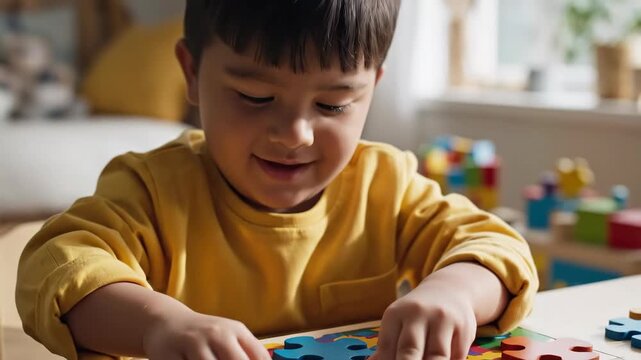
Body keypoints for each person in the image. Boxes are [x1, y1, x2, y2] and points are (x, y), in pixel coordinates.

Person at [16, 0, 538, 359]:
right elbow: (54, 267)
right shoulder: (152, 190)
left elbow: (496, 247)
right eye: (255, 97)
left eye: (333, 103)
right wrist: (158, 324)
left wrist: (453, 292)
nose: (295, 134)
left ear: (372, 88)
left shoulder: (384, 183)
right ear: (192, 73)